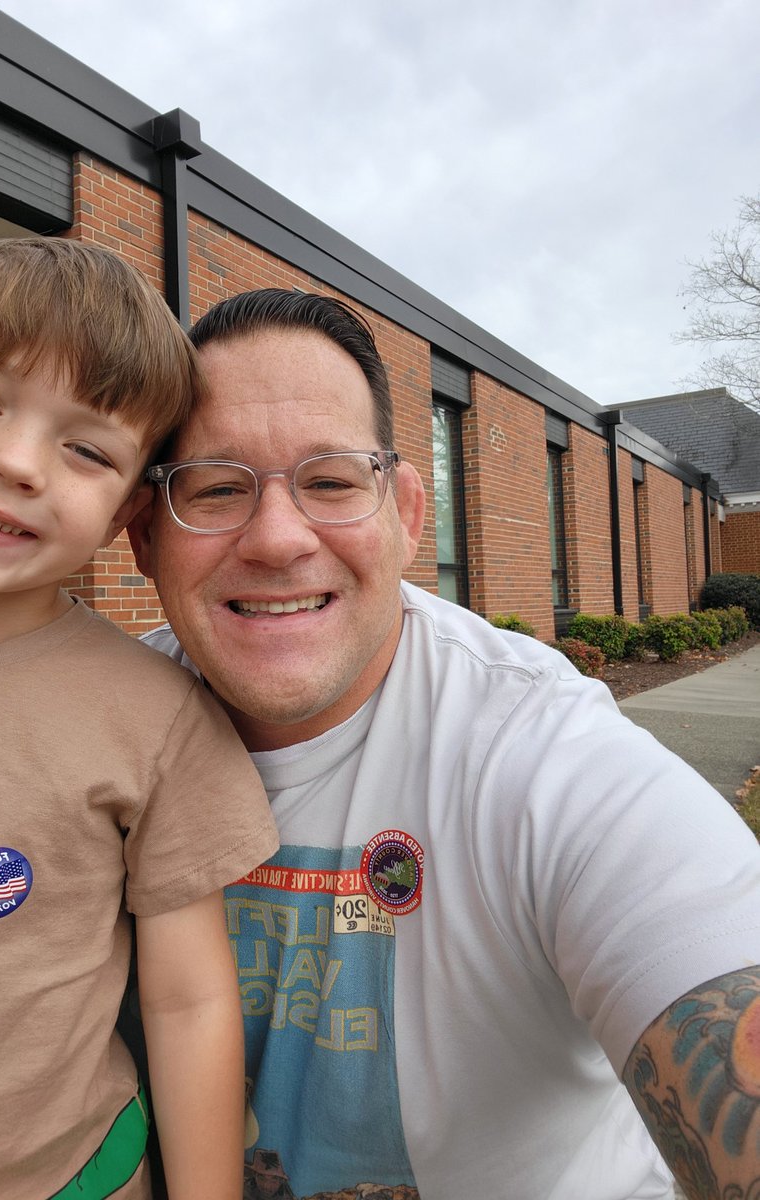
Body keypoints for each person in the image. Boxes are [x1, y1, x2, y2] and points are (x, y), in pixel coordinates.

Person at [128, 287, 760, 1200]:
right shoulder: (92, 743)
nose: (276, 538)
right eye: (218, 488)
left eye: (332, 481)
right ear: (146, 536)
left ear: (408, 515)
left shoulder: (537, 749)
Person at [0, 239, 278, 1200]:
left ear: (127, 507)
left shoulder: (154, 717)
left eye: (85, 449)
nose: (12, 462)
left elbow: (188, 1002)